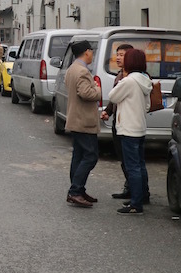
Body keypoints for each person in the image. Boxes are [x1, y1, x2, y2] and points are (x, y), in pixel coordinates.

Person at [107, 48, 152, 215]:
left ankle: (135, 203)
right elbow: (147, 106)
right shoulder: (145, 80)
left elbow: (112, 96)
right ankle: (141, 197)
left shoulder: (128, 81)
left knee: (132, 166)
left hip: (127, 128)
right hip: (140, 127)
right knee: (139, 165)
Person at [63, 40, 106, 208]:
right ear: (86, 52)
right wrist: (97, 89)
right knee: (91, 156)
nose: (92, 55)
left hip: (76, 118)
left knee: (79, 156)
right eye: (91, 52)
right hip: (83, 120)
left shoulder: (72, 69)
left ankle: (78, 190)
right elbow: (85, 93)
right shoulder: (82, 71)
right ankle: (75, 190)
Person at [102, 43, 135, 201]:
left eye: (122, 55)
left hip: (128, 122)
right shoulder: (120, 75)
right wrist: (107, 112)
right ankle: (130, 187)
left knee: (132, 160)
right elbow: (113, 100)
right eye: (118, 54)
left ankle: (138, 191)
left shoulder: (132, 78)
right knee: (123, 157)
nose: (118, 58)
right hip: (118, 120)